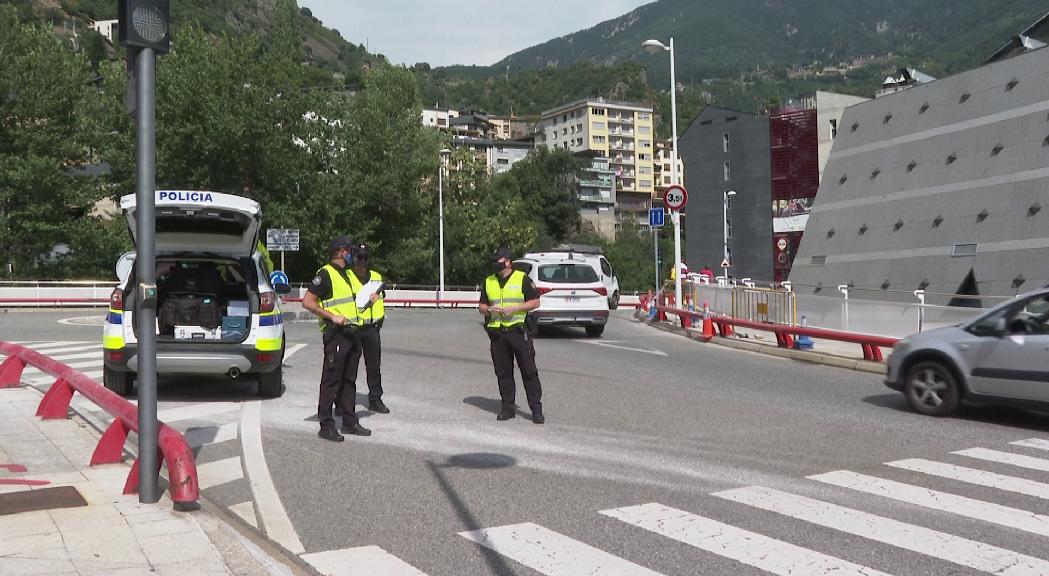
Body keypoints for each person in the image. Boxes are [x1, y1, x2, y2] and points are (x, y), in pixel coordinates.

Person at [301, 235, 372, 442]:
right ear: (342, 252)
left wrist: (369, 300)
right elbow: (307, 301)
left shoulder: (347, 275)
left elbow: (351, 303)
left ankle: (349, 421)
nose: (353, 255)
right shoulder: (325, 274)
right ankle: (326, 424)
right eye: (350, 251)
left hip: (352, 333)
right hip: (336, 335)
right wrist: (332, 317)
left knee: (349, 380)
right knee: (331, 380)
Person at [478, 247, 544, 424]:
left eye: (497, 261)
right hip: (498, 334)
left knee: (529, 372)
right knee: (503, 373)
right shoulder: (489, 281)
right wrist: (490, 309)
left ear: (507, 261)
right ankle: (507, 408)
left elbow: (536, 301)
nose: (494, 264)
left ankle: (536, 410)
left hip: (518, 331)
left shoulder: (521, 278)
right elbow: (481, 307)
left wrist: (515, 308)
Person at [346, 242, 389, 414]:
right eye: (359, 257)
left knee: (374, 366)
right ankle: (345, 401)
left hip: (372, 328)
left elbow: (381, 298)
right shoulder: (347, 277)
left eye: (365, 257)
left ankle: (375, 398)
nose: (362, 261)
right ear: (353, 259)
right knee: (350, 367)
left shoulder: (376, 277)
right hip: (353, 328)